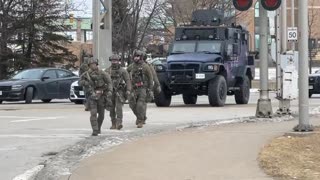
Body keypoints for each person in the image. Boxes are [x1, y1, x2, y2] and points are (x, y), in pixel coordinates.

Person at [79, 58, 113, 136]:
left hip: (101, 96)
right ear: (89, 65)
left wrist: (110, 91)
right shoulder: (86, 74)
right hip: (91, 96)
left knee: (101, 115)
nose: (93, 66)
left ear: (97, 64)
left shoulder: (102, 73)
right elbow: (79, 82)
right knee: (93, 114)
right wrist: (85, 82)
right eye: (91, 65)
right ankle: (95, 130)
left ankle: (98, 127)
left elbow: (109, 82)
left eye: (94, 64)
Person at [127, 50, 153, 128]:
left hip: (142, 88)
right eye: (135, 56)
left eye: (138, 56)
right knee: (132, 105)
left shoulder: (145, 66)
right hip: (133, 88)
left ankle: (140, 120)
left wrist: (150, 89)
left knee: (140, 105)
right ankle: (141, 116)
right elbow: (125, 73)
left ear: (141, 57)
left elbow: (150, 78)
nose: (136, 58)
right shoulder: (131, 66)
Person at [105, 54, 131, 130]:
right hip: (110, 91)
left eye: (116, 60)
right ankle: (113, 122)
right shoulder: (107, 71)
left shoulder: (123, 71)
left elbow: (128, 80)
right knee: (111, 108)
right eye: (113, 60)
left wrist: (128, 90)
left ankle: (119, 122)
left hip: (119, 91)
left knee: (119, 107)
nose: (114, 62)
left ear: (119, 61)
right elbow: (104, 81)